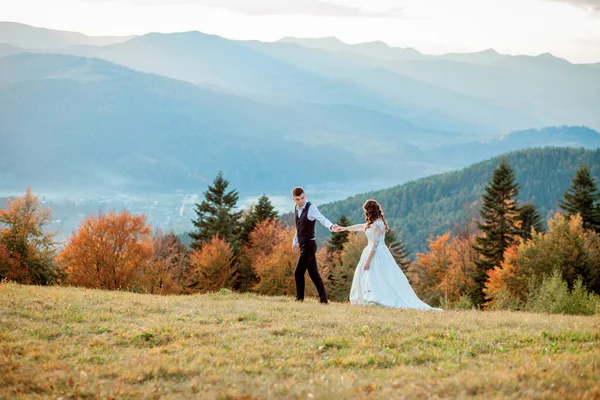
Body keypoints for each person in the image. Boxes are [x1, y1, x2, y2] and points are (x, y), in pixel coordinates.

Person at [340, 199, 441, 310]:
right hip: (371, 251)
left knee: (378, 276)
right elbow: (360, 226)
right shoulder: (373, 223)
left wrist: (368, 261)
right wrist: (344, 228)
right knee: (370, 276)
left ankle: (376, 298)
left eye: (366, 211)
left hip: (377, 254)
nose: (365, 213)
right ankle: (369, 297)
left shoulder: (378, 224)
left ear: (370, 211)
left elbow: (375, 244)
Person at [291, 187, 339, 304]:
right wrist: (295, 242)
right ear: (294, 199)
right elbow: (299, 227)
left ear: (305, 196)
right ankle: (324, 300)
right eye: (298, 199)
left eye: (302, 198)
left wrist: (331, 226)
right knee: (314, 274)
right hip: (303, 245)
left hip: (309, 245)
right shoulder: (296, 209)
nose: (301, 201)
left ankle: (299, 299)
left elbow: (322, 219)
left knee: (298, 272)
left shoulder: (311, 208)